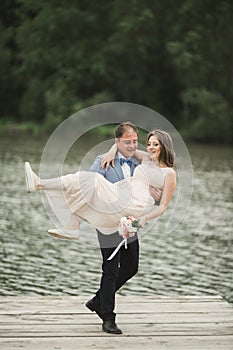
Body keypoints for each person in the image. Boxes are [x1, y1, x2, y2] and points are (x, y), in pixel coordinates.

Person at [24, 126, 176, 334]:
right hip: (110, 210)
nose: (147, 147)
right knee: (111, 268)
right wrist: (111, 152)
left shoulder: (164, 171)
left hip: (133, 211)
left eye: (154, 144)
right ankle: (108, 318)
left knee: (131, 267)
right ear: (117, 142)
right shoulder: (108, 160)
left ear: (163, 146)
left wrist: (141, 221)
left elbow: (163, 206)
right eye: (148, 143)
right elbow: (87, 185)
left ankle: (99, 299)